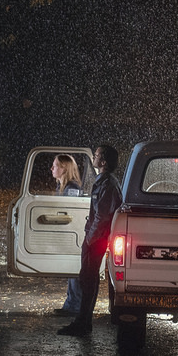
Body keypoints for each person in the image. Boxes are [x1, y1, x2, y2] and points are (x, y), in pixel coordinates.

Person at [58, 144, 122, 337]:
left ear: (103, 162)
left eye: (96, 155)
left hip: (97, 239)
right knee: (88, 278)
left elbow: (102, 216)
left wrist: (90, 239)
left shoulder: (107, 184)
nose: (93, 157)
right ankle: (83, 321)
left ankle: (83, 323)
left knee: (88, 278)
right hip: (97, 238)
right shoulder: (104, 181)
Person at [51, 154, 85, 316]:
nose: (52, 169)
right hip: (69, 233)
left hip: (74, 234)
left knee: (74, 270)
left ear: (64, 168)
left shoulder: (71, 188)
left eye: (56, 165)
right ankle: (71, 304)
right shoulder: (63, 187)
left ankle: (75, 306)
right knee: (72, 271)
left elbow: (70, 211)